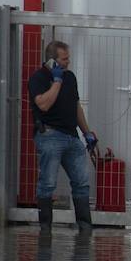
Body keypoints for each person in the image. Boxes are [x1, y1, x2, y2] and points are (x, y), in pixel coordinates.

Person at [28, 40, 96, 233]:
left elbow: (76, 106)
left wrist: (87, 133)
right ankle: (45, 228)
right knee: (48, 183)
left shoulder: (70, 77)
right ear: (53, 60)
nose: (68, 63)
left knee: (81, 182)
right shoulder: (38, 78)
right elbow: (43, 105)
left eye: (68, 58)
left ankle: (85, 226)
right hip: (49, 134)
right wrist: (56, 81)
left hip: (71, 136)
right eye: (64, 59)